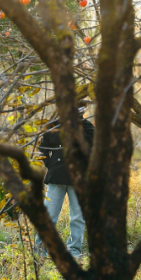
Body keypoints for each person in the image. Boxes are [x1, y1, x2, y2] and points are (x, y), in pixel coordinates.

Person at [36, 100, 94, 259]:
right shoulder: (53, 126)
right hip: (56, 177)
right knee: (49, 215)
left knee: (78, 218)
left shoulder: (87, 127)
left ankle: (74, 250)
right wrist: (51, 165)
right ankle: (40, 251)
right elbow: (42, 150)